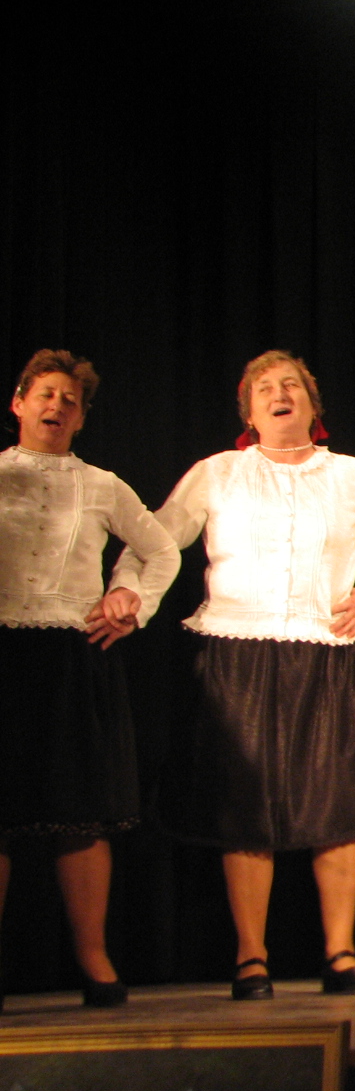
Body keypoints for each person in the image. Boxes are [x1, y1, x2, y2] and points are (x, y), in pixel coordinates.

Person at [133, 351, 355, 999]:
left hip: (329, 648)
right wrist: (129, 593)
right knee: (246, 809)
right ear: (249, 410)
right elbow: (156, 539)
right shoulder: (217, 473)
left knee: (340, 804)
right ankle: (251, 959)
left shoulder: (351, 475)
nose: (280, 393)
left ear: (312, 405)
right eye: (265, 388)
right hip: (238, 652)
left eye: (291, 385)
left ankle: (341, 955)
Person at [0, 350, 179, 1007]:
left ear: (81, 417)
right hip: (4, 649)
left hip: (73, 654)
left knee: (80, 816)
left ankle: (94, 958)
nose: (57, 405)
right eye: (46, 394)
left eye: (70, 400)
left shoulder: (101, 484)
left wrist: (130, 600)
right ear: (19, 403)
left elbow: (160, 550)